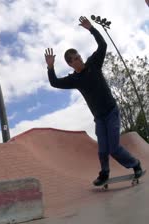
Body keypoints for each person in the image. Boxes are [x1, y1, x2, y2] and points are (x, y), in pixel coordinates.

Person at [44, 16, 143, 186]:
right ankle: (104, 173)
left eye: (79, 56)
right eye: (75, 59)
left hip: (111, 112)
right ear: (70, 64)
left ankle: (135, 164)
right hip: (99, 118)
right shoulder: (73, 79)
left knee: (114, 148)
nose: (79, 59)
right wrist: (50, 67)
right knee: (102, 150)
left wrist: (92, 29)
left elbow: (102, 46)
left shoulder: (93, 64)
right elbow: (54, 83)